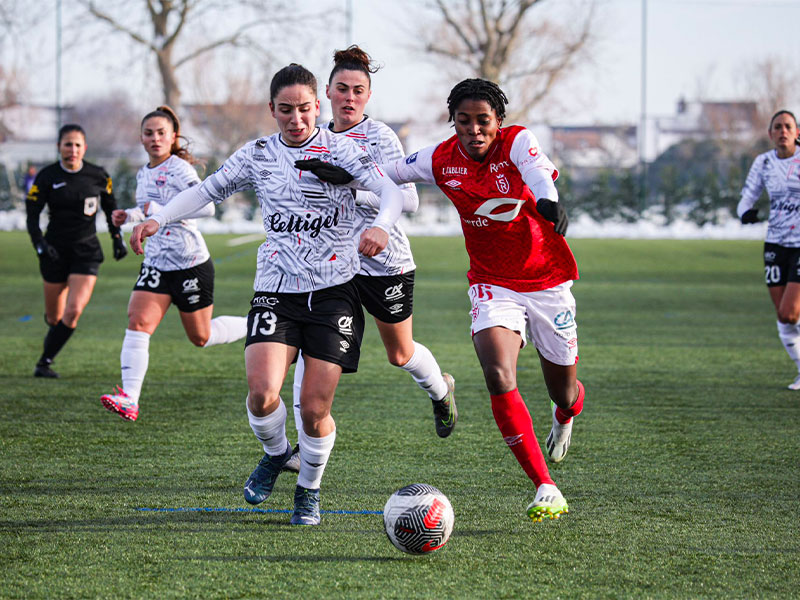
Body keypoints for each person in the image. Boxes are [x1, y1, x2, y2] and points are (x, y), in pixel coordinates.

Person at [128, 64, 406, 525]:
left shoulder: (343, 150)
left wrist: (380, 225)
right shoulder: (257, 154)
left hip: (334, 292)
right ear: (272, 109)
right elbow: (206, 191)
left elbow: (391, 191)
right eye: (285, 110)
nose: (296, 119)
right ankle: (277, 454)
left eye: (304, 109)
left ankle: (308, 491)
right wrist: (159, 218)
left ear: (317, 106)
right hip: (277, 288)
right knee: (261, 395)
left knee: (314, 410)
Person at [299, 78, 585, 522]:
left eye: (483, 120)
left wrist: (548, 202)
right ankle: (544, 485)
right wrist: (345, 176)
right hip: (492, 283)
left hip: (547, 281)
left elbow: (538, 174)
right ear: (453, 122)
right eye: (463, 121)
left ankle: (565, 414)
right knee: (497, 373)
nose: (474, 129)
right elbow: (391, 174)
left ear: (498, 121)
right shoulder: (440, 158)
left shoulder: (517, 141)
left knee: (563, 391)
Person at [283, 46, 456, 473]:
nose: (349, 97)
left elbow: (409, 200)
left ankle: (441, 390)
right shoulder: (314, 137)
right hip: (331, 267)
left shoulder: (380, 137)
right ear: (326, 93)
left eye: (357, 90)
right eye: (342, 88)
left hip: (384, 262)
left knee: (400, 353)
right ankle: (303, 446)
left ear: (368, 96)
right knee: (309, 350)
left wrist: (352, 184)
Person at [99, 106, 248, 422]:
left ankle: (254, 324)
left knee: (201, 337)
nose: (155, 138)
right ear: (141, 138)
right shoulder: (143, 172)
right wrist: (130, 215)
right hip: (156, 263)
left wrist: (157, 211)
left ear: (173, 137)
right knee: (138, 322)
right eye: (149, 133)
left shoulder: (180, 169)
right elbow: (148, 209)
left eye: (161, 133)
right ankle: (130, 398)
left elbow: (207, 208)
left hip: (189, 263)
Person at [25, 124, 128, 378]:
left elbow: (111, 209)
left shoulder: (99, 175)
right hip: (54, 251)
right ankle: (49, 350)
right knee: (54, 318)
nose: (73, 150)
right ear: (59, 147)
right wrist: (40, 245)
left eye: (77, 145)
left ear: (85, 148)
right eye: (68, 144)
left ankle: (44, 363)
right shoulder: (47, 176)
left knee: (72, 313)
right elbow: (32, 215)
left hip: (86, 251)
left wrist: (117, 239)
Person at [738, 109, 800, 390]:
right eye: (777, 127)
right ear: (770, 134)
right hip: (775, 243)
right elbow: (747, 196)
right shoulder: (763, 163)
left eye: (788, 126)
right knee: (784, 318)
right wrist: (745, 213)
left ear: (797, 132)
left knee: (790, 311)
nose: (783, 131)